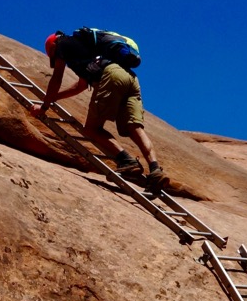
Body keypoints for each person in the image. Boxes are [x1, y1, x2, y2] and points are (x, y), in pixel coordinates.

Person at [28, 29, 169, 194]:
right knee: (135, 128)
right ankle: (155, 169)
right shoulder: (86, 50)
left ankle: (126, 160)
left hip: (111, 76)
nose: (56, 60)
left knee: (91, 129)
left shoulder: (62, 44)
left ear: (53, 47)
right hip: (130, 77)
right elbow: (79, 86)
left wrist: (44, 107)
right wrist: (53, 98)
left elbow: (57, 77)